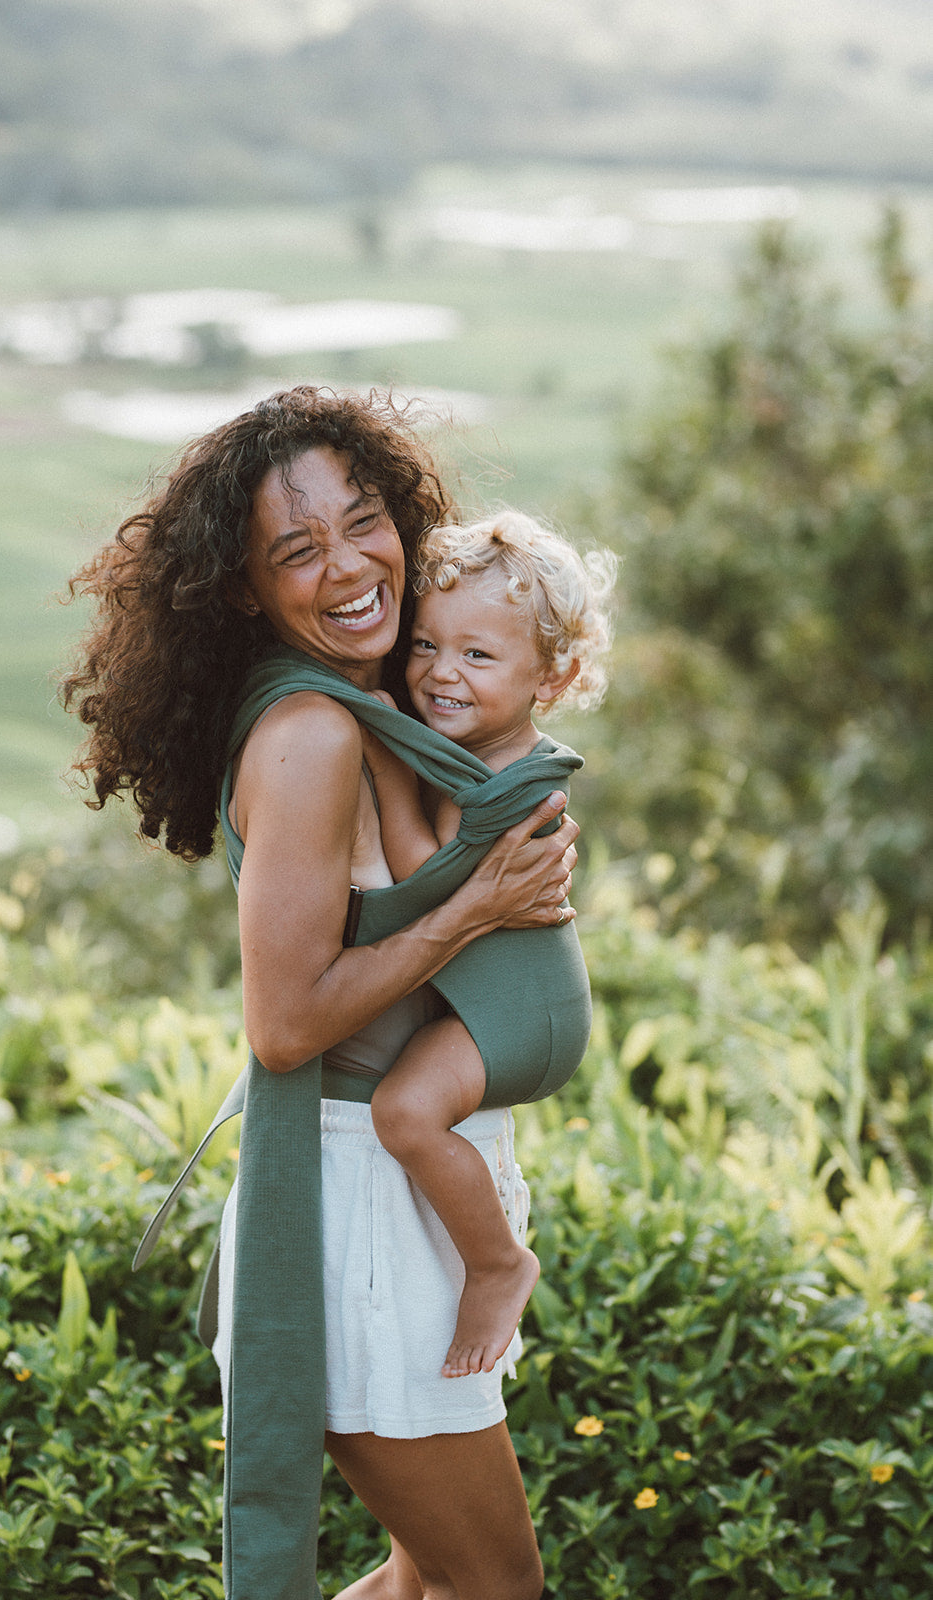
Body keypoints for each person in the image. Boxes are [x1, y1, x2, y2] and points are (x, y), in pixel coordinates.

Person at [61, 386, 584, 1600]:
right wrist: (475, 907)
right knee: (492, 1589)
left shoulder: (363, 705)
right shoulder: (312, 734)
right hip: (355, 1216)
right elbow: (284, 1023)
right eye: (298, 549)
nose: (350, 565)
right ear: (245, 586)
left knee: (420, 1582)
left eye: (363, 521)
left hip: (390, 1193)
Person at [359, 511, 616, 1382]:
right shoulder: (469, 751)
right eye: (425, 645)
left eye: (477, 656)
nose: (439, 674)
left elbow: (422, 876)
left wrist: (383, 758)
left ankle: (498, 1259)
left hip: (526, 1019)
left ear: (553, 675)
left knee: (403, 1112)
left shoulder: (518, 780)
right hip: (495, 1003)